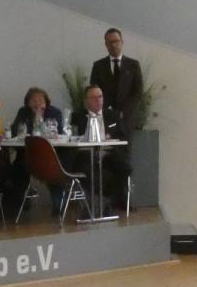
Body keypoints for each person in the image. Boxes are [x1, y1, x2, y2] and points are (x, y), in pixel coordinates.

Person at [69, 85, 131, 212]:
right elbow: (73, 136)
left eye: (100, 97)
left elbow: (122, 135)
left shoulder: (112, 115)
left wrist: (110, 136)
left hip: (108, 153)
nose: (98, 100)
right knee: (91, 172)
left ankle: (110, 200)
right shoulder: (77, 116)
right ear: (86, 101)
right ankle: (101, 203)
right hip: (86, 154)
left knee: (125, 168)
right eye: (93, 98)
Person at [7, 87, 65, 215]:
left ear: (46, 102)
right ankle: (19, 205)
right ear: (28, 103)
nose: (37, 103)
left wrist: (41, 120)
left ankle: (58, 203)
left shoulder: (54, 112)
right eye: (33, 100)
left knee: (54, 168)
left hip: (50, 155)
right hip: (28, 155)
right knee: (17, 169)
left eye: (40, 100)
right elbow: (16, 131)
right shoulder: (23, 112)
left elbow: (59, 132)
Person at [90, 28, 144, 126]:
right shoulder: (98, 66)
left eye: (116, 41)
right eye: (110, 42)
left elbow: (138, 92)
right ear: (106, 45)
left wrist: (124, 112)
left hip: (127, 120)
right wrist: (107, 111)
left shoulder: (133, 65)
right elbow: (94, 92)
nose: (113, 45)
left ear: (122, 42)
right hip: (105, 118)